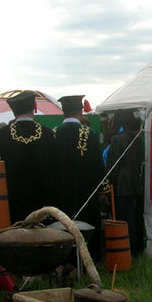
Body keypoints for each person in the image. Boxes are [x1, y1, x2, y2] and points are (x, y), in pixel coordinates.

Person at [0, 90, 58, 223]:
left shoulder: (2, 135)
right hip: (41, 202)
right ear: (33, 108)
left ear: (14, 111)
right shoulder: (47, 134)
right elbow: (54, 170)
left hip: (12, 201)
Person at [54, 95, 104, 259]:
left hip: (60, 191)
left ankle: (63, 257)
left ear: (63, 112)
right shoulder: (89, 133)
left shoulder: (53, 133)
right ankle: (90, 257)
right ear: (80, 111)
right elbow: (98, 164)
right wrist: (102, 189)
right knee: (86, 223)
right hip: (85, 191)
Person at [107, 110, 143, 256]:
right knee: (132, 218)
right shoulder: (136, 139)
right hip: (134, 184)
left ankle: (125, 250)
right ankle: (134, 248)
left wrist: (109, 185)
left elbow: (113, 166)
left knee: (123, 219)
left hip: (121, 186)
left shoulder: (117, 139)